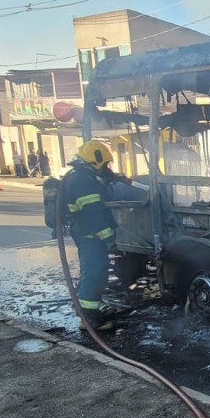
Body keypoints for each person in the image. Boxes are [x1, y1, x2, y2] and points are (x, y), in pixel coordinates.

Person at [59, 140, 133, 330]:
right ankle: (89, 319)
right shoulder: (83, 182)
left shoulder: (83, 176)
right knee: (95, 272)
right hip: (90, 235)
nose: (105, 168)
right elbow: (93, 215)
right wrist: (109, 239)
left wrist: (115, 177)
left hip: (88, 234)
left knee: (92, 271)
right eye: (104, 165)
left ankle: (87, 310)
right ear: (95, 162)